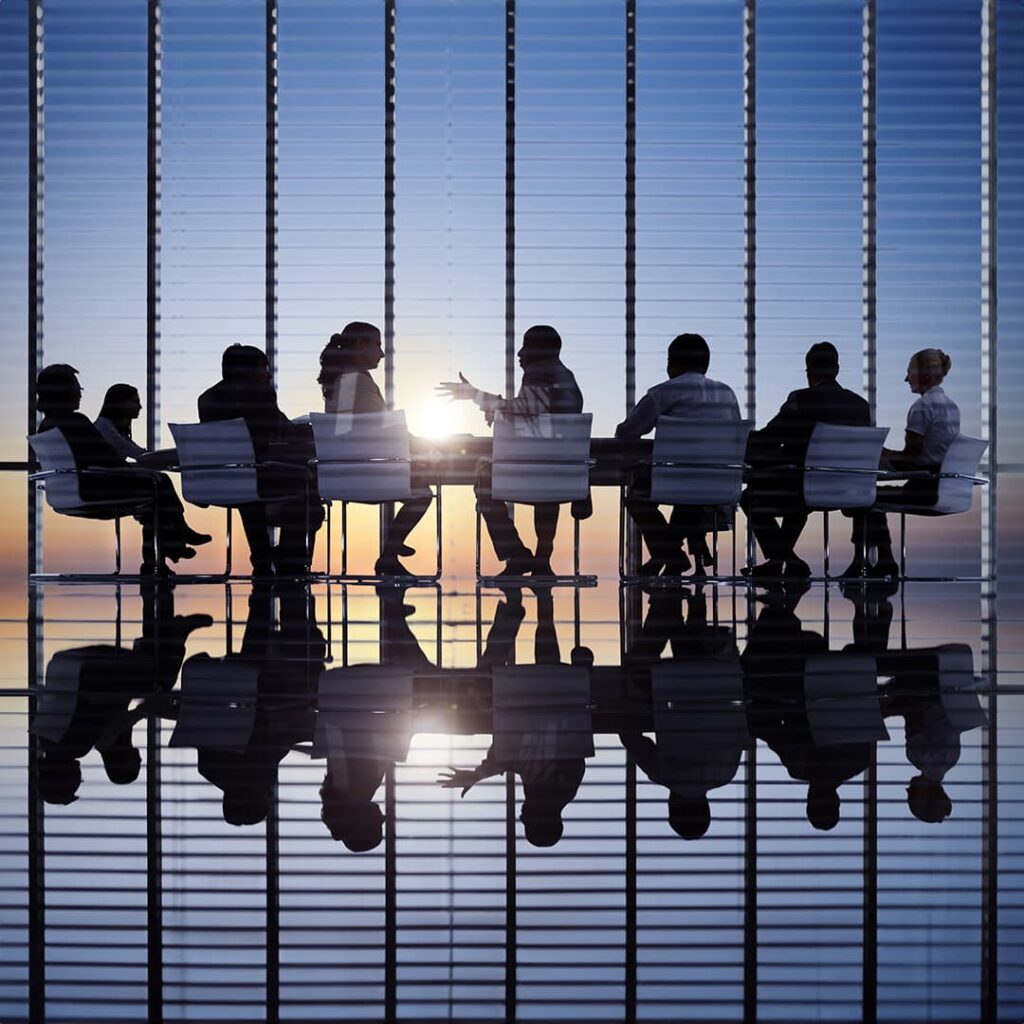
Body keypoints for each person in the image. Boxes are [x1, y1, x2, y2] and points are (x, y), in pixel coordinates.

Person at [437, 325, 585, 577]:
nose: (519, 353)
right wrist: (502, 413)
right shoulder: (566, 378)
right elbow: (541, 420)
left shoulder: (539, 372)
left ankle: (516, 553)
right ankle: (541, 559)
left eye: (525, 346)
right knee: (548, 488)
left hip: (531, 468)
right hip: (562, 472)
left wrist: (475, 396)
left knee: (484, 481)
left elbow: (528, 408)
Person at [35, 364, 206, 575]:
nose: (80, 394)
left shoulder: (46, 427)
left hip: (69, 493)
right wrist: (133, 470)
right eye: (77, 389)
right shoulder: (75, 422)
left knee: (154, 497)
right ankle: (174, 541)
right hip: (94, 489)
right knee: (160, 483)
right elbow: (107, 459)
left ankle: (165, 552)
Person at [741, 342, 871, 579]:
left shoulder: (801, 398)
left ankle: (786, 558)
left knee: (749, 496)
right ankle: (779, 562)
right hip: (849, 491)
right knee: (797, 498)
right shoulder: (860, 406)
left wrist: (742, 440)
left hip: (804, 487)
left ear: (808, 371)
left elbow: (771, 437)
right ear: (837, 369)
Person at [615, 332, 741, 577]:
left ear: (673, 363)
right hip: (720, 485)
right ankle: (672, 555)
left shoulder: (663, 392)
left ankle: (669, 554)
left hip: (675, 481)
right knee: (689, 498)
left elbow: (628, 431)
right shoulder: (728, 395)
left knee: (637, 496)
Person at [317, 322, 434, 578]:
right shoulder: (357, 381)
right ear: (360, 346)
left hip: (338, 476)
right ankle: (389, 555)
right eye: (378, 346)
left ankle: (392, 548)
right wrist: (420, 445)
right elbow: (382, 428)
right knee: (422, 493)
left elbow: (353, 430)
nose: (381, 354)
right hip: (366, 475)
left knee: (417, 478)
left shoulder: (337, 381)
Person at [198, 344, 324, 576]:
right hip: (262, 476)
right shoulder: (260, 392)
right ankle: (290, 559)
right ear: (251, 369)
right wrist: (309, 430)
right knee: (308, 489)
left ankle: (262, 559)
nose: (268, 374)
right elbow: (282, 429)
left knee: (249, 486)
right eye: (265, 368)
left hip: (223, 480)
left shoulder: (206, 398)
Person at [843, 348, 960, 579]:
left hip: (924, 488)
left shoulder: (922, 407)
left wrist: (879, 452)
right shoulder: (951, 406)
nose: (907, 379)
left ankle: (865, 563)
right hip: (945, 486)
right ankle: (882, 562)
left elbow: (910, 462)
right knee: (868, 497)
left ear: (924, 374)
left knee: (861, 497)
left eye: (910, 373)